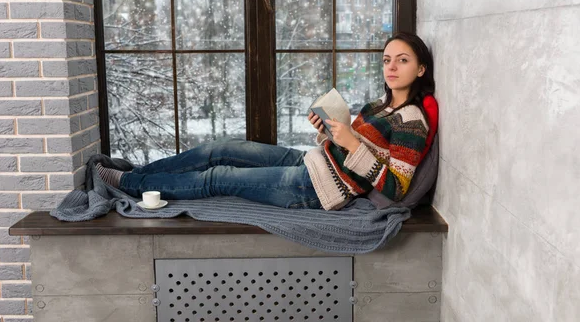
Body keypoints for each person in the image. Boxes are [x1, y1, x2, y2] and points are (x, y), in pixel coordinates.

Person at [96, 32, 437, 211]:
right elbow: (349, 147)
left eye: (402, 60)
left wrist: (350, 144)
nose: (391, 67)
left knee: (220, 177)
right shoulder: (378, 104)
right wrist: (329, 133)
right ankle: (137, 174)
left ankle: (129, 185)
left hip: (320, 189)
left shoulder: (412, 121)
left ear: (420, 69)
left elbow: (396, 188)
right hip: (314, 162)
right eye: (387, 59)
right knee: (221, 149)